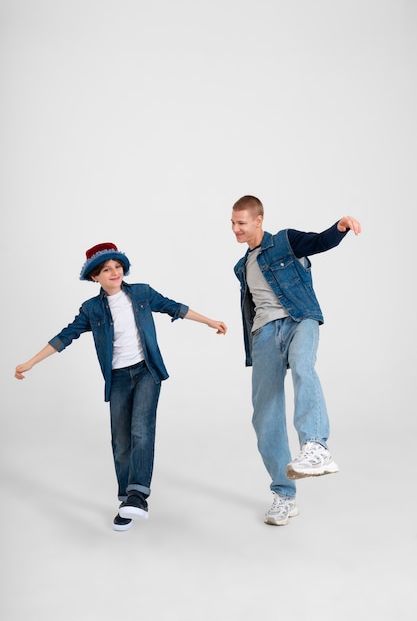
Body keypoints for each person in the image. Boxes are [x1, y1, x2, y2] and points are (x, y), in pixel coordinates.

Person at [15, 242, 227, 532]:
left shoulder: (141, 292)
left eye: (117, 266)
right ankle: (127, 501)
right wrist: (31, 362)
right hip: (117, 379)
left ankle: (138, 496)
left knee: (141, 428)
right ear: (95, 277)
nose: (114, 272)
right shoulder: (91, 309)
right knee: (120, 441)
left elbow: (173, 307)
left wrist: (209, 321)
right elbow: (66, 336)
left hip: (146, 371)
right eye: (106, 269)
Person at [231, 196, 361, 526]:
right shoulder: (241, 266)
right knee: (265, 417)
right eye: (232, 223)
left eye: (241, 223)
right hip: (264, 335)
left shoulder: (286, 241)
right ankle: (284, 495)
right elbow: (251, 309)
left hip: (299, 318)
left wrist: (340, 228)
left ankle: (315, 445)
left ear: (259, 220)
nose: (235, 229)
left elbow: (319, 241)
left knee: (303, 364)